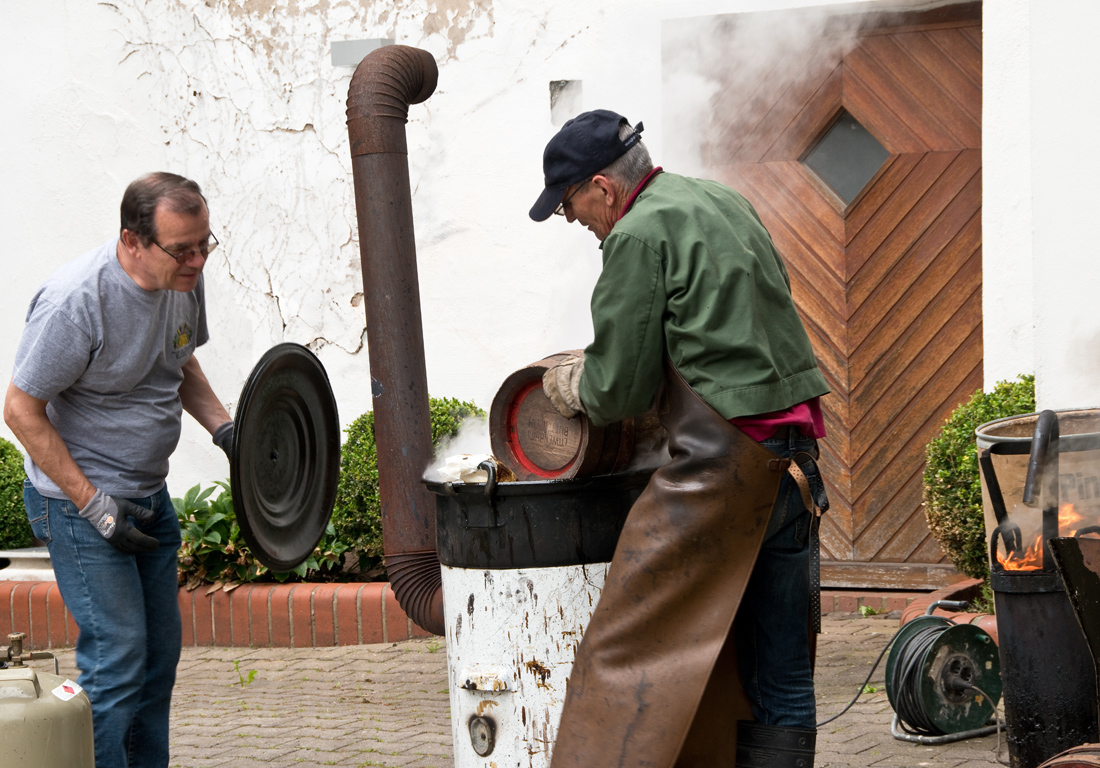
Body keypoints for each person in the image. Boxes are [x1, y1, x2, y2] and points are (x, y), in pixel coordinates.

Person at [530, 110, 831, 768]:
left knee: (619, 654)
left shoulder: (637, 235)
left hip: (721, 475)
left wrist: (570, 386)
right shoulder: (721, 198)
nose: (576, 220)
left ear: (604, 188)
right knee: (777, 676)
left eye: (572, 205)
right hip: (795, 469)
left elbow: (619, 391)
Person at [3, 172, 235, 768]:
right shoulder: (76, 303)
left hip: (149, 497)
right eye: (181, 249)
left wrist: (225, 429)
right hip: (78, 505)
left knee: (157, 662)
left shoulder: (184, 279)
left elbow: (179, 359)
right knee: (116, 658)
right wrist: (94, 505)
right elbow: (20, 409)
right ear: (132, 241)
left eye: (205, 243)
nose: (197, 261)